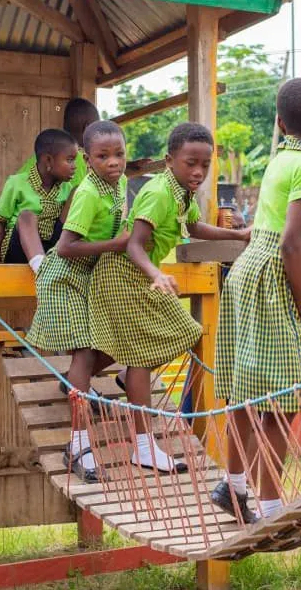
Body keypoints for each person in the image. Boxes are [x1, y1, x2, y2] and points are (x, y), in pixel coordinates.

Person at [89, 122, 249, 477]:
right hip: (122, 274)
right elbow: (133, 244)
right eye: (191, 162)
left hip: (140, 275)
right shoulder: (159, 193)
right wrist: (157, 274)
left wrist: (239, 234)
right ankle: (142, 447)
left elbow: (193, 228)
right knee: (145, 353)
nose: (198, 171)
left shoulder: (182, 192)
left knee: (183, 334)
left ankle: (94, 379)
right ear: (169, 160)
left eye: (205, 164)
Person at [212, 78, 301, 522]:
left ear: (281, 122)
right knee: (283, 399)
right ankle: (267, 508)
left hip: (246, 273)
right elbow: (290, 243)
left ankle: (233, 486)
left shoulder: (283, 157)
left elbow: (296, 207)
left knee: (249, 394)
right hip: (273, 277)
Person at [26, 120, 131, 483]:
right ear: (88, 160)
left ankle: (76, 382)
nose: (113, 162)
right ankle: (78, 444)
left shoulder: (120, 187)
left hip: (92, 274)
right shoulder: (88, 193)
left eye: (119, 154)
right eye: (103, 156)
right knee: (84, 353)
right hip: (65, 276)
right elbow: (67, 247)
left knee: (125, 335)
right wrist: (116, 245)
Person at [0, 129, 78, 267]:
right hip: (18, 249)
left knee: (77, 193)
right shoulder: (17, 183)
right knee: (26, 216)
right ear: (48, 160)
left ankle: (53, 264)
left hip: (52, 248)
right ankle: (40, 266)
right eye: (70, 160)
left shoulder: (67, 188)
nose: (75, 167)